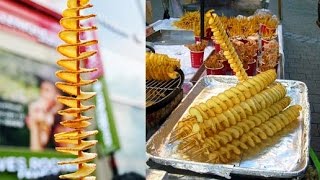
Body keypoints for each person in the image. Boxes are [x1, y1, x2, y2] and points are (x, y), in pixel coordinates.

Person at [26, 81, 63, 151]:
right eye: (41, 90)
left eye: (47, 90)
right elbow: (36, 151)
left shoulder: (61, 118)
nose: (42, 94)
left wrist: (53, 112)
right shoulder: (36, 111)